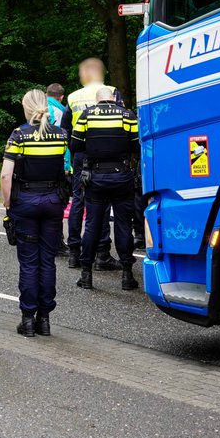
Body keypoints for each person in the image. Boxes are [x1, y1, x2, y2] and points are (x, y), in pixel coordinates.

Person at [1, 89, 68, 338]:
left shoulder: (19, 135)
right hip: (52, 201)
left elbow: (6, 175)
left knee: (29, 262)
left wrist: (8, 203)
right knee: (47, 261)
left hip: (25, 202)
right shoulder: (61, 135)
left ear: (26, 108)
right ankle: (45, 320)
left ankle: (28, 319)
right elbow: (65, 169)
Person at [70, 87, 140, 291]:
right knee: (123, 225)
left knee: (92, 225)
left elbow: (75, 146)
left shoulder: (87, 115)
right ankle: (127, 275)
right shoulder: (127, 115)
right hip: (122, 176)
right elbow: (137, 146)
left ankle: (86, 275)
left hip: (95, 178)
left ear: (97, 100)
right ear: (113, 99)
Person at [61, 58, 122, 270]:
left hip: (81, 153)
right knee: (102, 201)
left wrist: (74, 149)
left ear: (86, 74)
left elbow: (65, 129)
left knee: (78, 200)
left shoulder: (73, 97)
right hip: (106, 155)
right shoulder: (112, 92)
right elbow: (123, 121)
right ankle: (102, 253)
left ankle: (74, 252)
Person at [45, 83, 72, 259]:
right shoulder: (58, 111)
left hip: (39, 161)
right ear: (61, 97)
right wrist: (66, 165)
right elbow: (63, 140)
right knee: (57, 202)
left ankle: (46, 240)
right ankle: (57, 243)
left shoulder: (38, 107)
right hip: (57, 163)